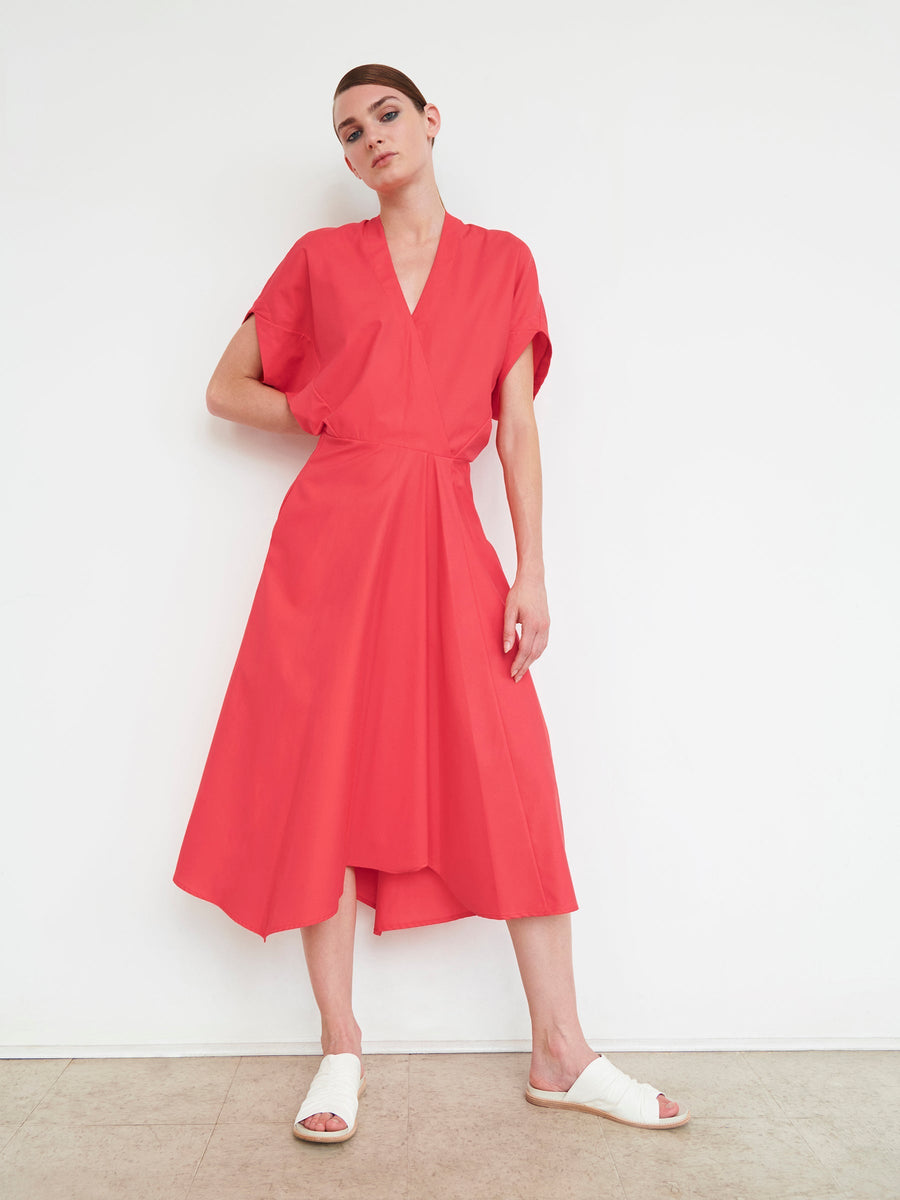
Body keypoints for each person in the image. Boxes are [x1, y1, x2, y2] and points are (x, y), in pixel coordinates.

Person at [173, 63, 689, 1141]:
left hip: (450, 544)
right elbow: (226, 388)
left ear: (431, 120)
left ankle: (563, 1048)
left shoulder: (502, 264)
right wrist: (328, 408)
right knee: (322, 775)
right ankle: (340, 1046)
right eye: (349, 133)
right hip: (331, 545)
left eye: (386, 116)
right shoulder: (320, 261)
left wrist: (532, 568)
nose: (370, 140)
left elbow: (517, 431)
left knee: (512, 776)